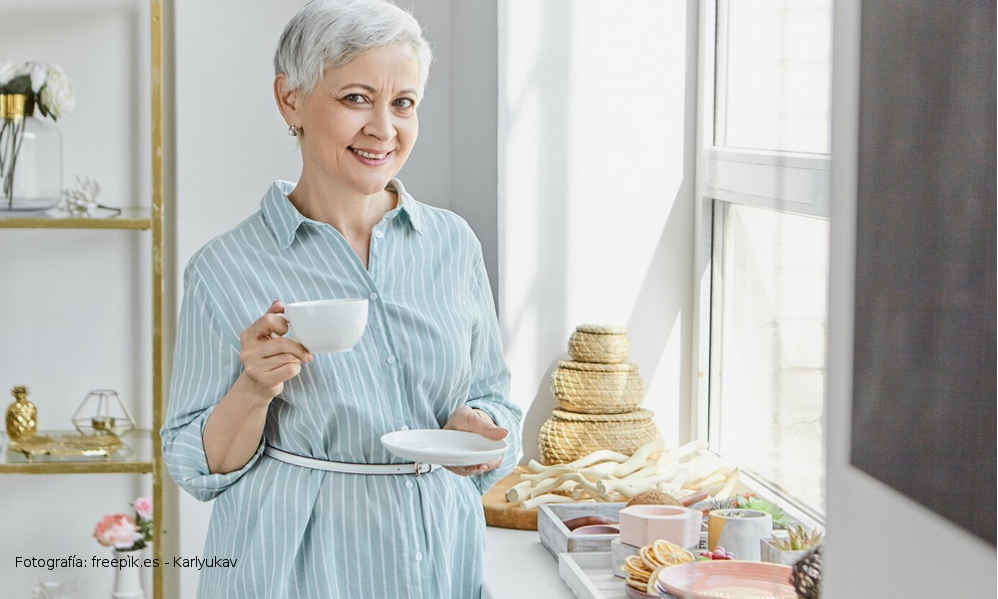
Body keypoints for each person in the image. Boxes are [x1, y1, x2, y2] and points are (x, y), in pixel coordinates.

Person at [159, 1, 522, 597]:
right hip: (295, 564)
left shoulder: (452, 244)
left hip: (436, 555)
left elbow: (495, 404)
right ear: (290, 100)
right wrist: (254, 388)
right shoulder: (224, 269)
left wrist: (480, 429)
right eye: (356, 98)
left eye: (403, 103)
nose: (384, 128)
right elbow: (196, 466)